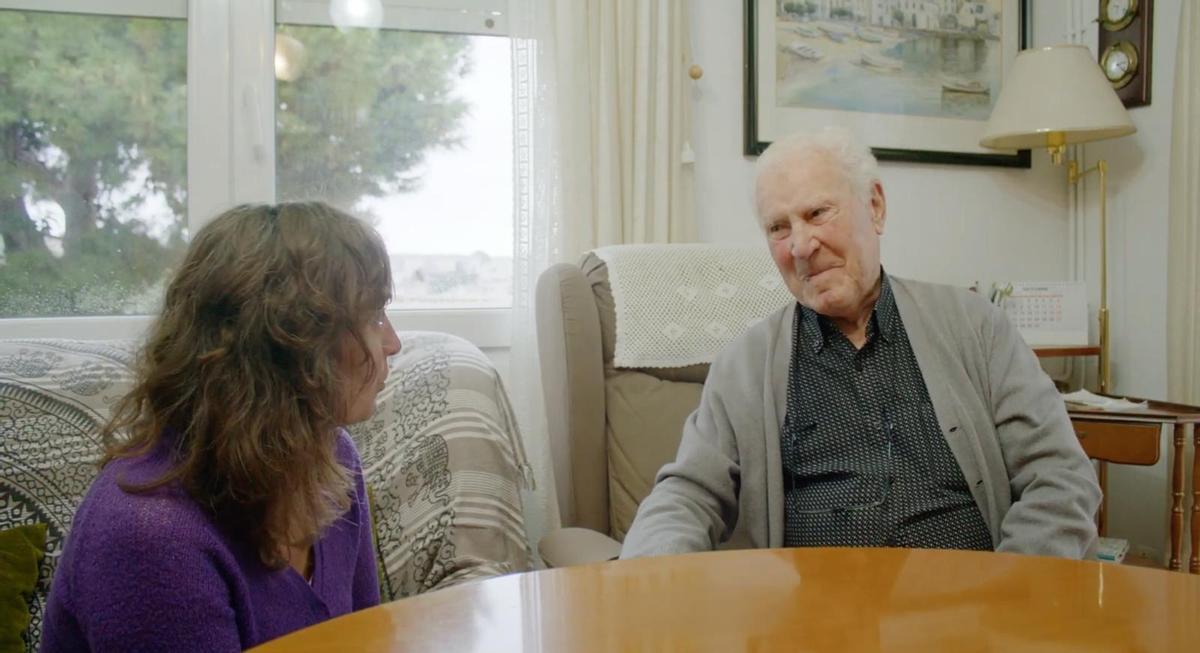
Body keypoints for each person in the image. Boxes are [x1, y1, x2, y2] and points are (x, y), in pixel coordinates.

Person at [620, 128, 1101, 559]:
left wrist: (1010, 599)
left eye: (817, 213)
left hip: (970, 615)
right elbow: (688, 494)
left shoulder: (976, 328)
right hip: (811, 623)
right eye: (779, 228)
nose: (801, 245)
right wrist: (647, 578)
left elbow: (1060, 478)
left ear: (875, 206)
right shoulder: (745, 366)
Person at [41, 202, 401, 652]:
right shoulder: (151, 534)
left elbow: (365, 643)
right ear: (287, 344)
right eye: (372, 316)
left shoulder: (334, 455)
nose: (392, 342)